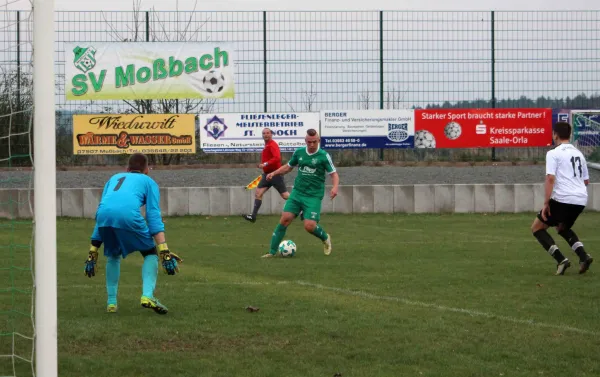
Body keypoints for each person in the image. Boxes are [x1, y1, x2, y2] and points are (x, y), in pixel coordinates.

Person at [84, 153, 182, 314]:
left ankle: (111, 303)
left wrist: (92, 251)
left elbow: (104, 212)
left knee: (113, 256)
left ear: (127, 169)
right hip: (128, 215)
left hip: (103, 216)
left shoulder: (114, 178)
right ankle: (147, 296)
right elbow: (153, 215)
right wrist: (163, 250)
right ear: (147, 170)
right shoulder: (148, 181)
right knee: (150, 253)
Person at [262, 128, 339, 258]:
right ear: (305, 141)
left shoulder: (324, 156)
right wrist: (274, 173)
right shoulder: (299, 152)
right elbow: (288, 167)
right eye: (309, 142)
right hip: (297, 192)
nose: (312, 145)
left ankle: (325, 238)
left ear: (318, 140)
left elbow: (334, 174)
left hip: (313, 195)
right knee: (285, 219)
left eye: (314, 142)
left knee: (309, 226)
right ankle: (272, 252)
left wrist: (335, 187)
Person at [531, 121, 593, 275]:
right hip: (580, 199)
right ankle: (583, 256)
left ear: (555, 135)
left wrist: (546, 203)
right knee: (562, 227)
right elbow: (586, 181)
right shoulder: (579, 154)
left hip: (564, 198)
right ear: (570, 135)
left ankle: (561, 260)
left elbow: (550, 178)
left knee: (537, 227)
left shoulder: (553, 153)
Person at [243, 128, 291, 223]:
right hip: (266, 175)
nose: (266, 135)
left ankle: (302, 209)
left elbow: (277, 158)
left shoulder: (273, 145)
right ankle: (253, 216)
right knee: (258, 193)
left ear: (271, 134)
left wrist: (265, 164)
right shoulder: (267, 145)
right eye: (264, 133)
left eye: (268, 133)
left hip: (275, 174)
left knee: (285, 196)